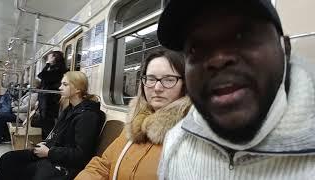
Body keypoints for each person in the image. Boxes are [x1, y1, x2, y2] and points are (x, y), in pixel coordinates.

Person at [157, 0, 315, 179]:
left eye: (244, 36)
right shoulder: (176, 145)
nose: (218, 59)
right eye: (195, 49)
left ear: (285, 47)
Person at [75, 49, 191, 180]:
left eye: (169, 80)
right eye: (151, 79)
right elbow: (103, 165)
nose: (157, 88)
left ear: (185, 85)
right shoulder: (136, 122)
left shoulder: (191, 135)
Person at [0, 71, 106, 180]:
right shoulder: (70, 109)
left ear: (77, 89)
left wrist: (49, 152)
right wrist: (46, 144)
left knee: (13, 167)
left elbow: (81, 155)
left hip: (65, 164)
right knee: (7, 158)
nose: (60, 87)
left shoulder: (87, 116)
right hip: (55, 153)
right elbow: (58, 136)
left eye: (65, 84)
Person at [0, 80, 40, 144]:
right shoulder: (29, 93)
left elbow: (27, 107)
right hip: (17, 113)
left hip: (21, 116)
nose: (28, 86)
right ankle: (3, 135)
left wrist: (14, 109)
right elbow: (20, 102)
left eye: (30, 85)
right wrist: (14, 103)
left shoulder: (35, 95)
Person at [37, 50, 67, 139]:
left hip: (50, 100)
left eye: (49, 57)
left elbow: (41, 75)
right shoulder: (53, 68)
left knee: (47, 122)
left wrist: (47, 65)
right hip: (45, 99)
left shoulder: (59, 69)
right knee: (44, 122)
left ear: (54, 58)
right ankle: (44, 141)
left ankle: (47, 142)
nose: (48, 59)